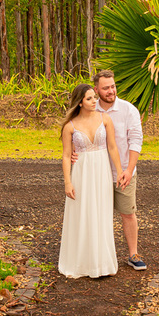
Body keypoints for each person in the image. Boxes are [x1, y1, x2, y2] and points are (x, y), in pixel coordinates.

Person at [58, 84, 124, 279]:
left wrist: (119, 171)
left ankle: (101, 263)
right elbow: (65, 156)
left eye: (94, 97)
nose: (95, 101)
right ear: (80, 102)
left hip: (101, 172)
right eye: (89, 98)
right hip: (81, 173)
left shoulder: (105, 119)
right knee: (82, 213)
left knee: (101, 214)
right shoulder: (69, 127)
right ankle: (80, 262)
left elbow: (112, 147)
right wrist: (67, 182)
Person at [92, 70, 145, 270]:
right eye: (105, 88)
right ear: (96, 89)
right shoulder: (90, 109)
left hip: (123, 171)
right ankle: (101, 256)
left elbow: (136, 141)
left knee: (128, 212)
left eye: (113, 86)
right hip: (97, 173)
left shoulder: (128, 110)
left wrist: (129, 170)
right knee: (98, 214)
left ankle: (133, 254)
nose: (111, 91)